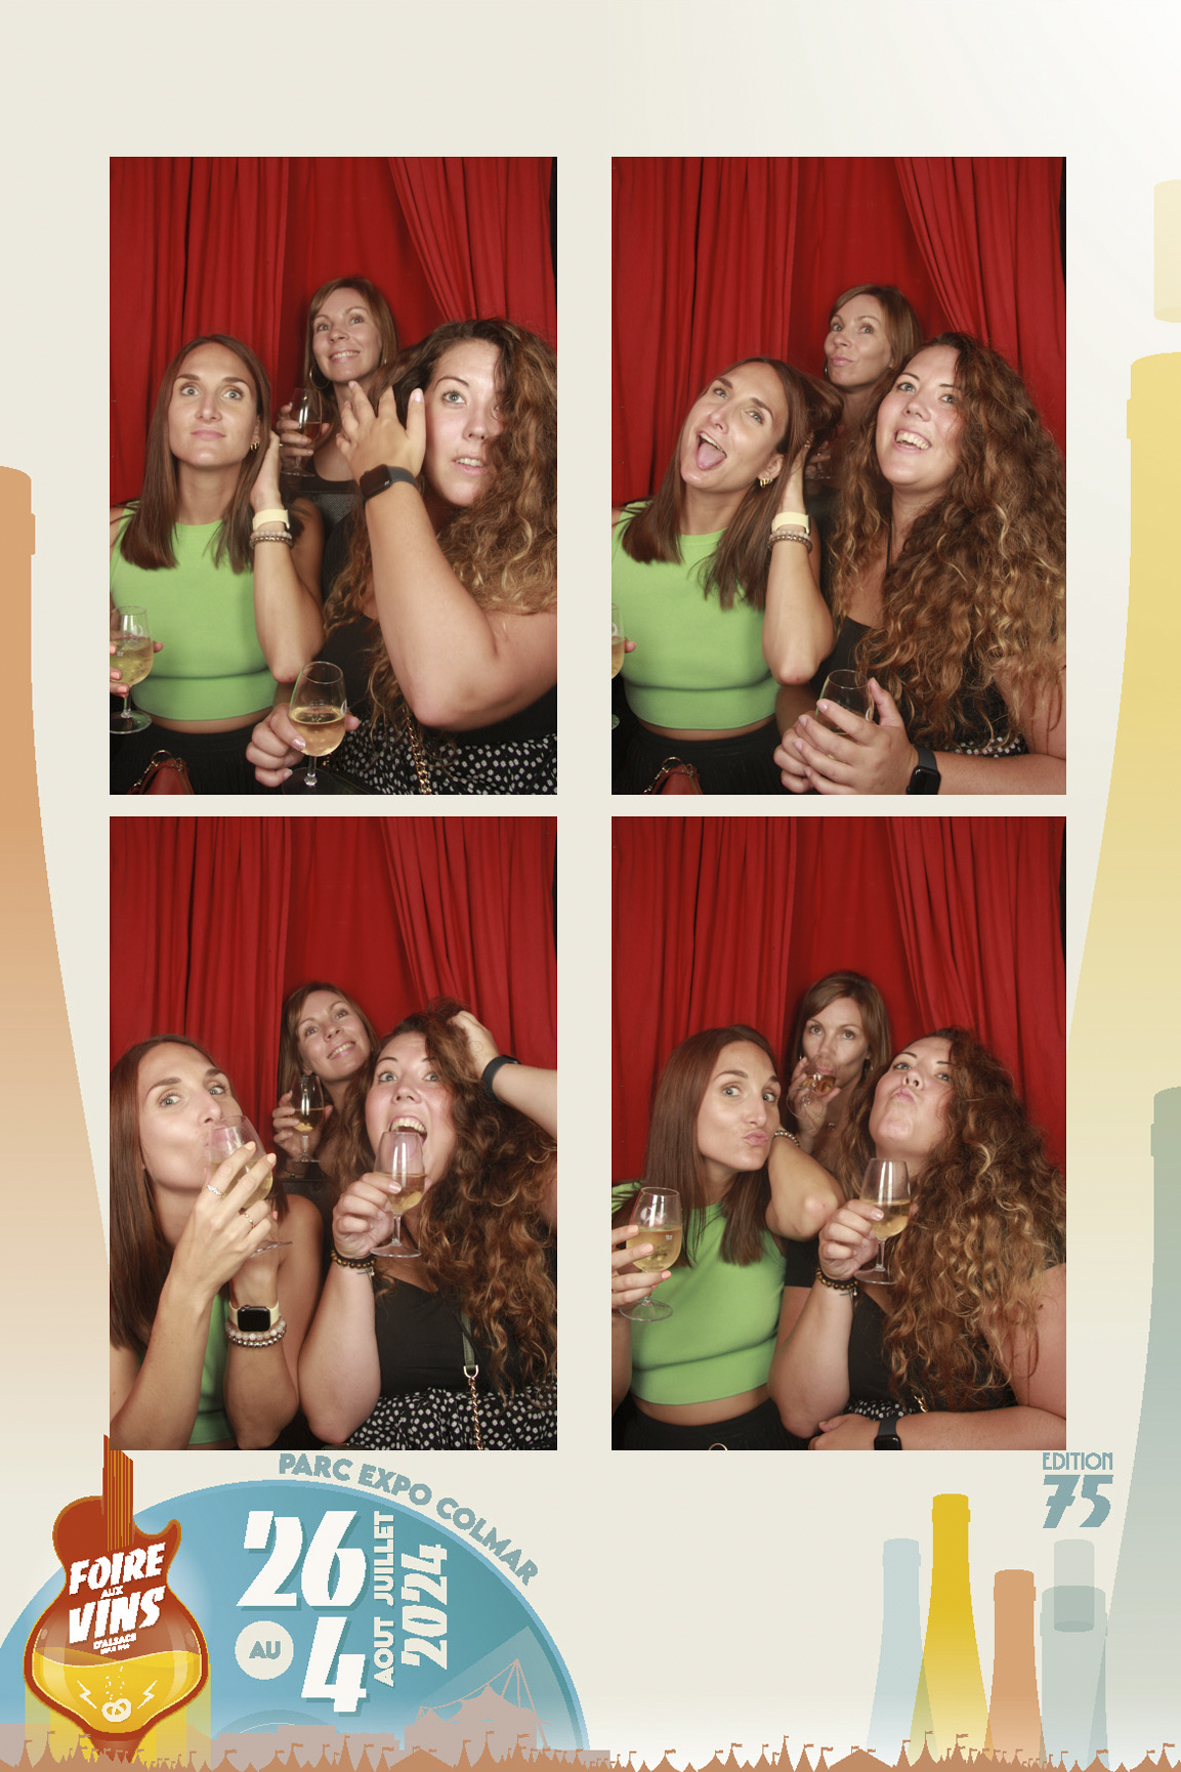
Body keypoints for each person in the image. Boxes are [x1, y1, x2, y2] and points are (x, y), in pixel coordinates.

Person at [248, 318, 557, 795]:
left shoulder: (559, 553)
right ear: (406, 411)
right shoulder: (357, 534)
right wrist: (285, 727)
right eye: (454, 397)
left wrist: (386, 475)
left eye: (506, 405)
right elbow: (309, 674)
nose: (480, 428)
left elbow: (442, 694)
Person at [774, 334, 1065, 794]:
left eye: (950, 398)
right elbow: (795, 687)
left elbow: (1076, 776)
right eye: (906, 386)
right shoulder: (840, 534)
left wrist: (913, 770)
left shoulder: (1012, 573)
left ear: (986, 437)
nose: (915, 406)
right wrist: (808, 739)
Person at [768, 1029, 1066, 1449]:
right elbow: (801, 1416)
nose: (910, 1076)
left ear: (974, 1118)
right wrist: (834, 1276)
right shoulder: (831, 1224)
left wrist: (885, 1440)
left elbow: (1064, 1428)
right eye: (901, 1065)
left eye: (943, 1076)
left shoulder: (1013, 1231)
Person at [299, 1005, 558, 1448]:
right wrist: (351, 1256)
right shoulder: (343, 1224)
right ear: (366, 1115)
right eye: (386, 1076)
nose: (403, 1091)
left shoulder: (530, 1189)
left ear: (468, 1107)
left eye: (434, 1076)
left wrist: (492, 1069)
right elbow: (332, 1420)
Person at [612, 358, 841, 794]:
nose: (719, 414)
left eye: (754, 415)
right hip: (635, 762)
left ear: (772, 466)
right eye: (719, 392)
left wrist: (790, 486)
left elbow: (795, 666)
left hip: (758, 770)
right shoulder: (607, 534)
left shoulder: (788, 540)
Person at [110, 335, 324, 793]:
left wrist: (268, 501)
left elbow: (292, 662)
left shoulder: (297, 523)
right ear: (166, 418)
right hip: (140, 761)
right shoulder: (108, 532)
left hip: (260, 764)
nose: (207, 410)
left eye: (232, 393)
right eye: (189, 390)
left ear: (258, 430)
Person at [110, 1037, 322, 1450]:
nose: (213, 1108)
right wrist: (191, 1281)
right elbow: (130, 1460)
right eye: (170, 1099)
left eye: (217, 1087)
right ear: (133, 1150)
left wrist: (255, 1283)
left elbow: (259, 1431)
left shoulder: (295, 1222)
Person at [611, 1026, 804, 1449]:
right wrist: (610, 1315)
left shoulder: (776, 1209)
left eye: (769, 1096)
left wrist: (779, 1137)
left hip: (762, 1442)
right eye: (732, 1091)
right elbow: (600, 1403)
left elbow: (816, 1208)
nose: (759, 1114)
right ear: (684, 1103)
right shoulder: (613, 1211)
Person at [276, 277, 399, 591]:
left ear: (382, 336)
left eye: (355, 319)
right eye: (323, 326)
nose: (336, 334)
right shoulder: (300, 432)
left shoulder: (411, 427)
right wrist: (274, 461)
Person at [805, 285, 922, 580]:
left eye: (866, 329)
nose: (840, 339)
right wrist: (798, 483)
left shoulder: (906, 439)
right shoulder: (808, 424)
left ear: (895, 354)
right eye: (837, 326)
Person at [271, 982, 378, 1238]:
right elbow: (278, 1230)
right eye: (310, 1030)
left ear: (363, 1027)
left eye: (340, 1014)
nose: (332, 1030)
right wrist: (298, 1160)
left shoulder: (406, 1104)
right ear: (304, 1064)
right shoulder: (315, 1134)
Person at [778, 971, 892, 1176]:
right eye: (816, 1030)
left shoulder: (880, 1126)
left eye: (847, 1034)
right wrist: (805, 1136)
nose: (825, 1049)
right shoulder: (775, 1112)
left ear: (869, 1050)